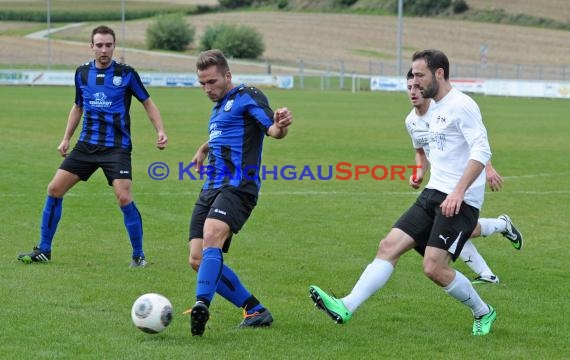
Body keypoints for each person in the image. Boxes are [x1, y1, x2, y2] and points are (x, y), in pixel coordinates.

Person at [309, 49, 497, 336]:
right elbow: (432, 150)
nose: (415, 83)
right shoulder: (430, 110)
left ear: (439, 73)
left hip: (460, 200)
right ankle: (346, 305)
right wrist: (421, 172)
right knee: (388, 247)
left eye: (420, 76)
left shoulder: (462, 104)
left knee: (433, 268)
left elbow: (481, 150)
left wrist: (458, 192)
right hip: (433, 193)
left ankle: (483, 312)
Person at [17, 25, 168, 267]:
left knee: (123, 197)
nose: (104, 49)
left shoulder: (127, 74)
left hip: (116, 148)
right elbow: (78, 106)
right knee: (54, 189)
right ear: (91, 47)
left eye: (108, 45)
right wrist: (66, 137)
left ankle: (138, 256)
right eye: (99, 45)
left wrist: (160, 130)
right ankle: (44, 249)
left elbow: (147, 103)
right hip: (86, 145)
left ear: (114, 46)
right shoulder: (82, 73)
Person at [186, 49, 292, 336]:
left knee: (212, 237)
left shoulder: (248, 96)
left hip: (238, 186)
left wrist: (280, 125)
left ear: (227, 76)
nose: (207, 89)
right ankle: (255, 309)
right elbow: (223, 133)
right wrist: (203, 148)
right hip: (210, 188)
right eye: (202, 84)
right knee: (197, 258)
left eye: (212, 82)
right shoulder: (218, 107)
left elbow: (271, 129)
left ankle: (201, 305)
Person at [404, 69, 524, 285]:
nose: (413, 92)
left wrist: (487, 167)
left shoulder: (447, 109)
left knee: (451, 231)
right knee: (452, 232)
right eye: (409, 87)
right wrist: (420, 172)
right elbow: (421, 150)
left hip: (462, 182)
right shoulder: (411, 121)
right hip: (438, 184)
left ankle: (493, 256)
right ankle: (498, 236)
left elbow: (475, 143)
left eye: (418, 87)